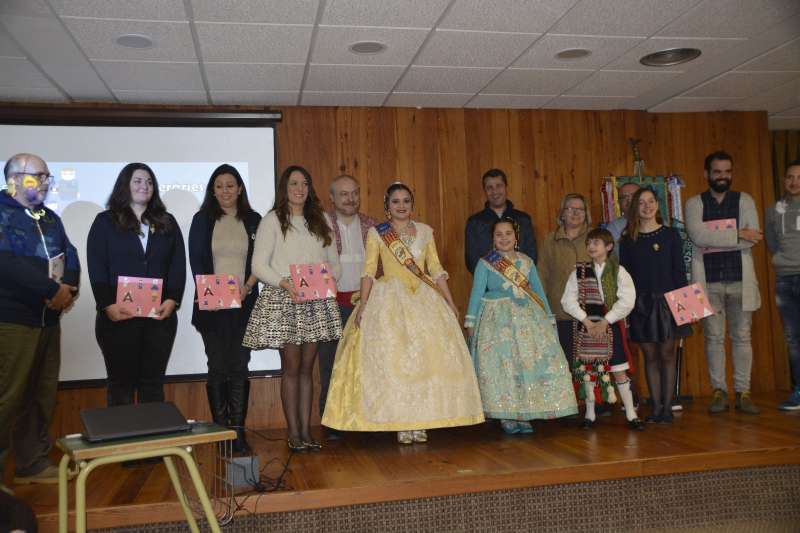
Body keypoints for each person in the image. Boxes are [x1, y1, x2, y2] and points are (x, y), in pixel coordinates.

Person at [322, 182, 484, 444]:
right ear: (387, 206)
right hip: (390, 301)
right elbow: (369, 272)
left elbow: (435, 269)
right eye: (395, 201)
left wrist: (450, 302)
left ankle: (421, 421)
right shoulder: (377, 233)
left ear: (412, 204)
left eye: (406, 201)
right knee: (396, 363)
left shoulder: (425, 232)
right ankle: (401, 422)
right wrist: (363, 305)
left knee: (424, 362)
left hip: (424, 300)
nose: (401, 206)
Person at [242, 166, 342, 453]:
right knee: (292, 368)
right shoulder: (273, 220)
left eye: (305, 183)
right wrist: (285, 284)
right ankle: (294, 433)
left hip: (315, 300)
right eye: (294, 183)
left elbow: (333, 260)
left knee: (307, 370)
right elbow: (258, 266)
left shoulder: (320, 219)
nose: (300, 188)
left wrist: (327, 281)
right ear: (284, 187)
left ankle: (307, 432)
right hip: (286, 299)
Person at [0, 153, 80, 488]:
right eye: (39, 176)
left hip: (49, 320)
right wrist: (50, 289)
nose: (46, 183)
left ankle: (31, 464)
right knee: (8, 395)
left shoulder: (49, 217)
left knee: (41, 394)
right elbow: (6, 263)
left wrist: (68, 289)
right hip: (14, 319)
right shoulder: (2, 213)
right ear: (15, 179)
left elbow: (70, 255)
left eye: (47, 177)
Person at [465, 217, 577, 434]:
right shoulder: (485, 262)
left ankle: (525, 412)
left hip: (527, 320)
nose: (504, 238)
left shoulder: (526, 261)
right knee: (503, 367)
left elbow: (537, 291)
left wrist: (548, 316)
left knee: (526, 366)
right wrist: (471, 321)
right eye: (499, 234)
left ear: (516, 237)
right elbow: (477, 292)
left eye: (508, 234)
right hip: (496, 322)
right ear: (493, 239)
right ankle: (506, 413)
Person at [87, 163, 186, 407]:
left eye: (150, 182)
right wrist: (106, 304)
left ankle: (152, 444)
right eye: (138, 181)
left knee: (152, 385)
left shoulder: (167, 222)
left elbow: (177, 265)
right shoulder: (105, 222)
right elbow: (97, 266)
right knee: (121, 384)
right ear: (125, 185)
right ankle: (123, 444)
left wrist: (172, 299)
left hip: (158, 319)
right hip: (119, 317)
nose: (145, 186)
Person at [188, 164, 261, 453]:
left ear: (240, 188)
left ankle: (238, 433)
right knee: (217, 366)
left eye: (231, 185)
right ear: (212, 190)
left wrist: (246, 288)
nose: (225, 191)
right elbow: (196, 260)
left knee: (240, 367)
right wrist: (212, 294)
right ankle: (221, 435)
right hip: (211, 307)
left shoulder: (254, 220)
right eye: (219, 186)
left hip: (244, 304)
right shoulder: (202, 219)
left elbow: (260, 260)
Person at [685, 151, 762, 415]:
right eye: (717, 172)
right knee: (714, 338)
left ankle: (744, 392)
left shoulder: (745, 200)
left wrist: (715, 236)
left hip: (741, 281)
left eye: (727, 172)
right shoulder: (695, 203)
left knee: (742, 337)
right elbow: (697, 236)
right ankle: (719, 391)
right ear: (706, 174)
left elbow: (753, 238)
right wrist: (738, 233)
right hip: (708, 282)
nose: (723, 176)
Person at [619, 188, 692, 424]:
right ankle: (656, 407)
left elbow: (680, 273)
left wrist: (687, 309)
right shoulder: (628, 239)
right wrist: (627, 309)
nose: (647, 206)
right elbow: (625, 278)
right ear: (635, 208)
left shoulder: (671, 235)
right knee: (650, 355)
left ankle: (668, 407)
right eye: (641, 203)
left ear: (658, 205)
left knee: (667, 354)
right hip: (641, 306)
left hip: (669, 303)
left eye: (651, 201)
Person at [561, 228, 644, 431]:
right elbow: (567, 300)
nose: (591, 246)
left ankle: (632, 414)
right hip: (587, 327)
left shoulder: (618, 271)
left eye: (596, 242)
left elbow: (628, 300)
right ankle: (589, 415)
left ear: (608, 247)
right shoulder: (578, 272)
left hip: (611, 327)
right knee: (588, 371)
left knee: (619, 371)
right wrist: (586, 321)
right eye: (589, 243)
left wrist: (606, 320)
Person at [318, 174, 377, 440]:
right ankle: (331, 424)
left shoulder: (373, 227)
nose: (350, 198)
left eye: (354, 193)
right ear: (331, 197)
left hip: (365, 305)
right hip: (330, 304)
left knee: (366, 364)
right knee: (331, 365)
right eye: (343, 194)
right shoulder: (319, 225)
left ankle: (366, 421)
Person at [537, 193, 592, 366]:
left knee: (591, 368)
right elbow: (542, 276)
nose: (575, 213)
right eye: (570, 209)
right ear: (562, 213)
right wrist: (542, 309)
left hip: (590, 314)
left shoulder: (596, 238)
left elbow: (608, 274)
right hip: (561, 313)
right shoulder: (550, 241)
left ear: (586, 214)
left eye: (580, 209)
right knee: (565, 364)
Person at [765, 159, 800, 411]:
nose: (794, 182)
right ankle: (799, 390)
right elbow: (771, 243)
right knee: (793, 338)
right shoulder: (773, 210)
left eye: (799, 177)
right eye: (789, 177)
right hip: (785, 279)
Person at [465, 168, 536, 273]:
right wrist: (491, 280)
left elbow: (531, 255)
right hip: (488, 286)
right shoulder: (475, 222)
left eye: (499, 186)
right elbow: (471, 260)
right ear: (485, 191)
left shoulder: (523, 219)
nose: (495, 191)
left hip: (519, 283)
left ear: (506, 187)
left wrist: (518, 277)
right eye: (489, 187)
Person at [605, 181, 640, 247]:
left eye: (634, 196)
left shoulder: (659, 223)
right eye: (624, 197)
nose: (629, 200)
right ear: (619, 203)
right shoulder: (613, 227)